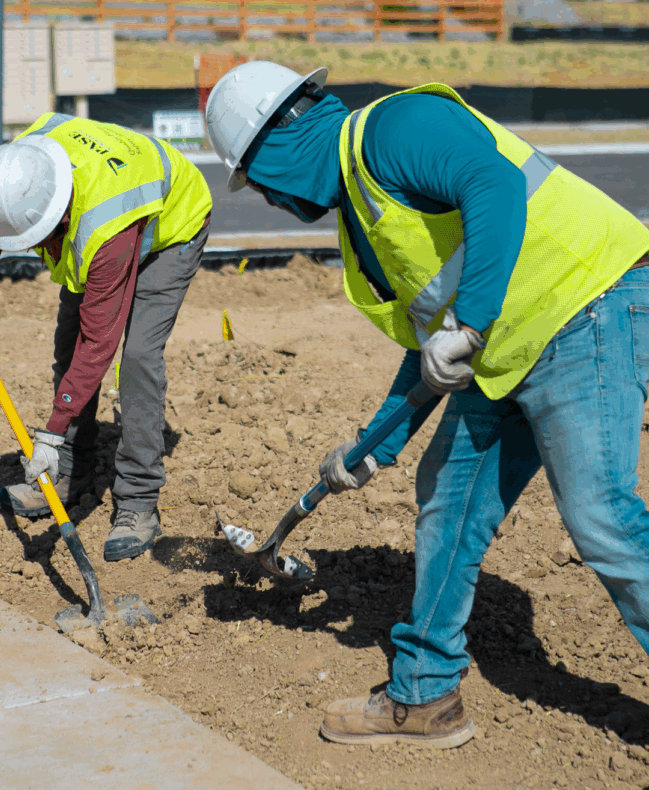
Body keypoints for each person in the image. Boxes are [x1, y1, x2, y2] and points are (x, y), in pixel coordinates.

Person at [206, 61, 649, 749]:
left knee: (602, 520)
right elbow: (427, 348)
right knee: (448, 494)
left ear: (277, 147)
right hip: (507, 348)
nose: (266, 200)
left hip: (583, 305)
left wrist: (469, 324)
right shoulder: (361, 221)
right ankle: (424, 695)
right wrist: (372, 445)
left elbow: (495, 185)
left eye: (257, 181)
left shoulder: (393, 127)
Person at [0, 112, 212, 562]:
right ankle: (72, 472)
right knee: (65, 347)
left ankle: (138, 502)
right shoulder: (18, 169)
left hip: (172, 227)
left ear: (58, 216)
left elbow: (99, 343)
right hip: (106, 214)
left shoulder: (101, 227)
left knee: (137, 361)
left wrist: (49, 432)